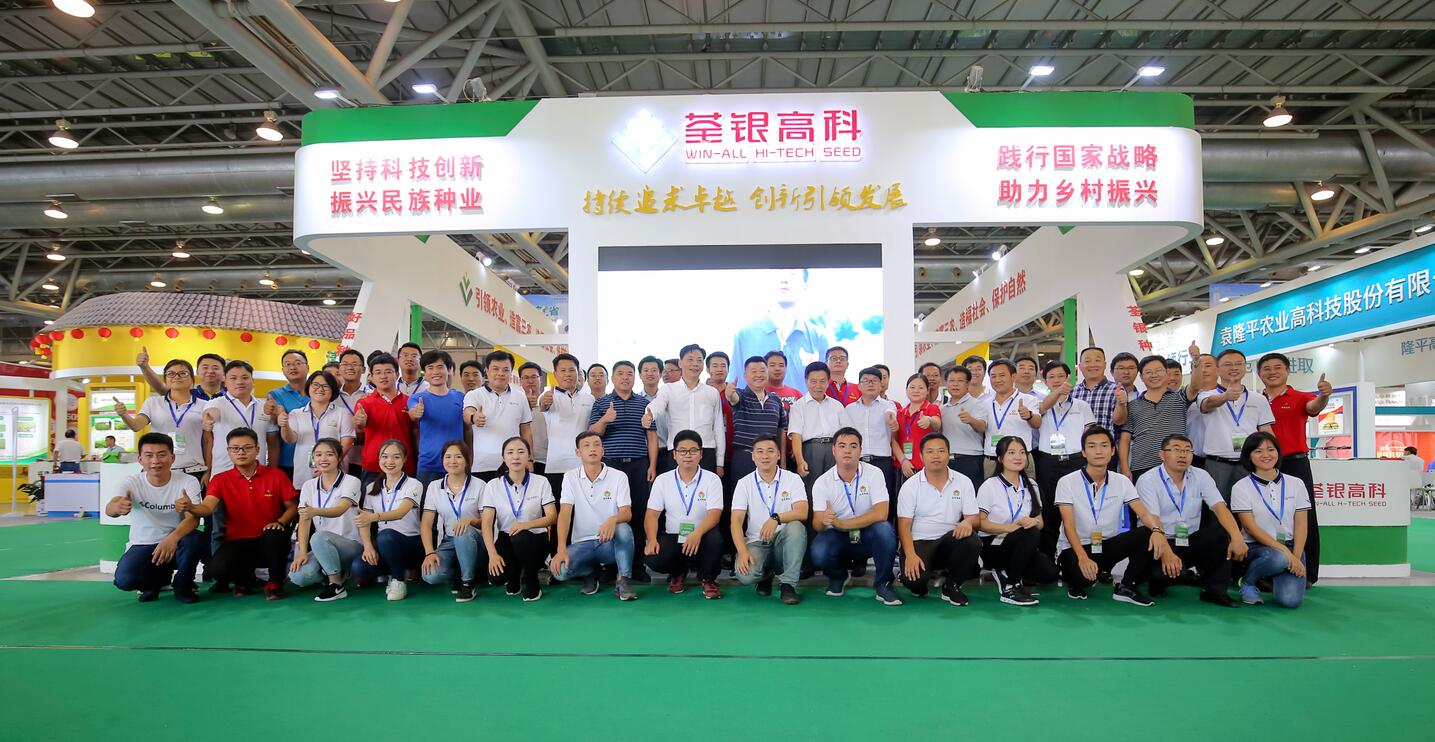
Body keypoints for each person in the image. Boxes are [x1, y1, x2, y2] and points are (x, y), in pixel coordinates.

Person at [182, 427, 297, 600]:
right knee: (216, 570)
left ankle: (275, 582)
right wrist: (191, 507)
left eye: (247, 448)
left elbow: (293, 507)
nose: (241, 452)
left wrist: (280, 522)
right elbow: (207, 508)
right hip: (237, 541)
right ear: (228, 451)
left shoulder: (276, 475)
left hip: (268, 539)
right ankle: (242, 581)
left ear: (257, 449)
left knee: (274, 534)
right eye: (235, 448)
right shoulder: (220, 479)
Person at [1054, 427, 1160, 606]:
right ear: (1083, 452)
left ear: (1112, 451)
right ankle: (1074, 575)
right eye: (1092, 446)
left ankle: (1126, 586)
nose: (1098, 451)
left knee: (1147, 533)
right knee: (1083, 580)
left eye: (1104, 445)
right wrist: (1083, 558)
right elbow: (1068, 526)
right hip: (1076, 548)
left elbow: (1142, 512)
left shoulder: (1122, 481)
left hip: (1107, 545)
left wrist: (1157, 530)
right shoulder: (1067, 482)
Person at [1135, 435, 1245, 607]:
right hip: (1158, 542)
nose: (1182, 455)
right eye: (1176, 450)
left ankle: (1214, 591)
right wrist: (1167, 554)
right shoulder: (1148, 480)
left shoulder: (1201, 475)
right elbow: (1153, 520)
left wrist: (1237, 537)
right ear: (1162, 455)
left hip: (1188, 541)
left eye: (1187, 450)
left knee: (1221, 531)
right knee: (1162, 575)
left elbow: (1219, 507)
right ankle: (1157, 578)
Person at [1258, 352, 1333, 584]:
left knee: (1303, 515)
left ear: (1287, 371)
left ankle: (1308, 573)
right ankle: (1268, 570)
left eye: (1277, 367)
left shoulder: (1300, 397)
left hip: (1295, 463)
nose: (1272, 372)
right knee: (1266, 516)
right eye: (1266, 368)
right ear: (1259, 374)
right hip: (1264, 465)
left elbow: (1313, 406)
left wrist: (1324, 396)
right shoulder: (1255, 399)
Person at [107, 432, 204, 603]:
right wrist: (117, 507)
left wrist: (172, 538)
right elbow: (111, 507)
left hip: (177, 542)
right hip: (143, 544)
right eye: (149, 455)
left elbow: (193, 519)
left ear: (172, 458)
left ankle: (183, 585)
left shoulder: (188, 481)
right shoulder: (130, 482)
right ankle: (153, 583)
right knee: (125, 580)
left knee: (195, 539)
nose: (155, 461)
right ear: (140, 459)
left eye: (161, 455)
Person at [810, 427, 902, 606]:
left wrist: (842, 523)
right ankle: (838, 576)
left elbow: (881, 513)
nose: (847, 450)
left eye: (853, 446)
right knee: (818, 551)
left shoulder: (874, 473)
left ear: (860, 450)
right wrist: (824, 520)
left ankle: (883, 584)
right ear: (834, 450)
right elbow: (817, 525)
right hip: (838, 536)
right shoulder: (822, 482)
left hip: (867, 533)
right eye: (842, 446)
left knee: (885, 530)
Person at [587, 361, 656, 583]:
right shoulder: (601, 403)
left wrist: (652, 466)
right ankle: (610, 565)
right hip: (610, 466)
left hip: (638, 464)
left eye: (629, 374)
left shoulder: (644, 403)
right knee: (610, 514)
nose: (625, 377)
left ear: (635, 377)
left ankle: (637, 566)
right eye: (620, 373)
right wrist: (605, 419)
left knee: (638, 512)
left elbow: (651, 437)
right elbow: (592, 433)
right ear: (613, 378)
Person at [552, 431, 638, 601]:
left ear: (603, 450)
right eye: (586, 445)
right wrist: (561, 549)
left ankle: (624, 580)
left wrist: (613, 519)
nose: (592, 449)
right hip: (582, 543)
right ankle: (590, 572)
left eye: (597, 445)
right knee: (560, 572)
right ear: (578, 452)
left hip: (608, 544)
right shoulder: (570, 477)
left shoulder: (618, 476)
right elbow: (565, 513)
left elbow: (626, 513)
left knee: (623, 529)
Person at [897, 434, 981, 605]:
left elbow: (975, 519)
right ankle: (918, 578)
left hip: (949, 541)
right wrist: (910, 555)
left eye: (941, 451)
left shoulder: (963, 482)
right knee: (915, 582)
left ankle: (951, 586)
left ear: (949, 454)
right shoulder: (910, 486)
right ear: (921, 456)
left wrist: (968, 522)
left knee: (972, 540)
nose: (936, 456)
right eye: (930, 452)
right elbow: (904, 525)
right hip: (920, 543)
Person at [1231, 432, 1311, 608]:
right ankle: (1248, 582)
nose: (1266, 455)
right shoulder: (1241, 487)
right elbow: (1250, 527)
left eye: (1270, 449)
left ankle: (1276, 574)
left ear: (1278, 452)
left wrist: (1296, 556)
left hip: (1291, 546)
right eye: (1258, 451)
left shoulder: (1296, 483)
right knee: (1279, 558)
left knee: (1290, 601)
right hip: (1256, 546)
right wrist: (1286, 554)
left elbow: (1301, 524)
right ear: (1249, 456)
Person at [976, 436, 1059, 606]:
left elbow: (1040, 522)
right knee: (1029, 532)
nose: (1018, 457)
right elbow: (979, 523)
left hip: (1021, 543)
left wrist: (1033, 522)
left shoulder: (1032, 485)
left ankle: (1007, 570)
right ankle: (1011, 586)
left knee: (1049, 573)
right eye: (1011, 452)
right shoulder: (990, 485)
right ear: (1000, 458)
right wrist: (1009, 528)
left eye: (1022, 452)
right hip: (994, 543)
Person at [644, 429, 724, 598]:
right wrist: (651, 540)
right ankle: (678, 572)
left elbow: (715, 514)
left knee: (715, 540)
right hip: (673, 536)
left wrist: (697, 533)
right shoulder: (663, 480)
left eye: (693, 450)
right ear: (674, 454)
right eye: (682, 451)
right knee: (653, 557)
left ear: (701, 454)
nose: (688, 455)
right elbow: (651, 515)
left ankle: (708, 578)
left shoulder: (712, 479)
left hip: (702, 536)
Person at [730, 435, 808, 605]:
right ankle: (766, 575)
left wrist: (777, 518)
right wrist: (742, 551)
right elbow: (735, 522)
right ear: (753, 456)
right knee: (745, 575)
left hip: (783, 540)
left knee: (796, 527)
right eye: (760, 451)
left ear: (778, 455)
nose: (765, 456)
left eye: (770, 451)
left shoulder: (792, 479)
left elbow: (802, 512)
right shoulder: (744, 483)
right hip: (757, 542)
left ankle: (788, 585)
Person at [286, 438, 363, 602]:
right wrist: (302, 552)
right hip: (321, 546)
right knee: (298, 576)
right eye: (318, 455)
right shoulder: (309, 486)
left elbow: (340, 509)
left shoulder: (352, 481)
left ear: (339, 457)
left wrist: (314, 511)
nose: (323, 459)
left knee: (319, 537)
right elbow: (304, 520)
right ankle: (338, 573)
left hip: (350, 544)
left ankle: (336, 585)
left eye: (329, 454)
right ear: (313, 458)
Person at [726, 268, 830, 388]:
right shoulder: (745, 334)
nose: (784, 280)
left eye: (793, 274)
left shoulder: (818, 337)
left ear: (805, 285)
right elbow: (735, 385)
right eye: (779, 273)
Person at [481, 436, 556, 601]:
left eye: (521, 452)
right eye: (510, 452)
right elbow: (486, 523)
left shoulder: (541, 482)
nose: (515, 456)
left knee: (521, 538)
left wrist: (525, 525)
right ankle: (514, 575)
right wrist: (492, 555)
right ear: (503, 457)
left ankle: (531, 579)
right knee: (497, 578)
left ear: (529, 456)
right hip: (506, 538)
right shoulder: (493, 485)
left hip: (535, 539)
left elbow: (552, 517)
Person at [1033, 361, 1095, 557]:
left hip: (1075, 461)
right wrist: (1056, 394)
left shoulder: (1082, 406)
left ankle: (1078, 556)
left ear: (1069, 378)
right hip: (1048, 462)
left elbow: (1089, 433)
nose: (1056, 380)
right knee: (1049, 509)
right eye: (1051, 377)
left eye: (1061, 376)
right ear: (1045, 381)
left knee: (1078, 509)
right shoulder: (1038, 404)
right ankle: (1048, 556)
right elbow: (1039, 412)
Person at [353, 439, 425, 601]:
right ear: (379, 459)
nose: (390, 461)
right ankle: (395, 571)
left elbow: (401, 512)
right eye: (384, 457)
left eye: (396, 457)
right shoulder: (371, 487)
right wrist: (368, 547)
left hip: (411, 543)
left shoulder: (414, 484)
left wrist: (374, 517)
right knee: (358, 567)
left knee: (386, 536)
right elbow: (363, 521)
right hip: (385, 545)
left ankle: (398, 580)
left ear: (404, 459)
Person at [1199, 349, 1276, 500]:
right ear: (1217, 369)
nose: (1234, 368)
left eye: (1239, 364)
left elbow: (1266, 431)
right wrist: (1224, 397)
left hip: (1249, 462)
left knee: (1250, 504)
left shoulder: (1259, 399)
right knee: (1216, 506)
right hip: (1217, 463)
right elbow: (1207, 404)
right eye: (1228, 364)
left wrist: (1273, 457)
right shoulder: (1206, 394)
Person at [115, 359, 207, 479]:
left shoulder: (205, 405)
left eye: (183, 373)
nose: (177, 377)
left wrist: (208, 470)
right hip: (158, 469)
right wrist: (124, 415)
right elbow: (136, 426)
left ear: (192, 379)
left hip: (193, 470)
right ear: (165, 379)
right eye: (171, 374)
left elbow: (208, 441)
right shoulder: (153, 403)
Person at [642, 344, 726, 475]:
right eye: (690, 359)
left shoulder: (712, 392)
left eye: (699, 360)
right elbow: (658, 404)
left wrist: (720, 462)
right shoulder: (669, 389)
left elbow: (718, 429)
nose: (695, 364)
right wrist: (649, 414)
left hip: (706, 451)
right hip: (677, 451)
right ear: (680, 363)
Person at [419, 441, 486, 602]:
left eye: (458, 457)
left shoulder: (480, 485)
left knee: (463, 532)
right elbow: (426, 524)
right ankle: (459, 572)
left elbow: (487, 522)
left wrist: (470, 521)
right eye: (448, 457)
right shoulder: (434, 487)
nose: (452, 461)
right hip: (449, 541)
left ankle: (468, 583)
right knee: (430, 575)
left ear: (467, 460)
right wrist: (429, 553)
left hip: (475, 540)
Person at [1119, 349, 1200, 481]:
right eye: (1148, 372)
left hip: (1175, 465)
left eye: (1158, 370)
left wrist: (1196, 361)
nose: (1154, 375)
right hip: (1142, 466)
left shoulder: (1180, 398)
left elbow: (1195, 386)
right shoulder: (1132, 405)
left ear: (1167, 373)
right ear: (1141, 377)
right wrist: (1124, 467)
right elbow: (1125, 439)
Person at [278, 370, 355, 490]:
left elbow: (347, 442)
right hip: (304, 473)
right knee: (305, 500)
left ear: (333, 390)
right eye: (316, 385)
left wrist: (328, 466)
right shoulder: (296, 414)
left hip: (334, 472)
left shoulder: (342, 413)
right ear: (308, 387)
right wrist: (284, 426)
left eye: (326, 386)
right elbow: (290, 439)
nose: (320, 389)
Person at [404, 350, 469, 490]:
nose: (435, 372)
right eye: (430, 368)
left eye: (440, 367)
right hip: (428, 465)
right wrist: (415, 412)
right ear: (424, 372)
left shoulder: (461, 397)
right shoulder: (417, 398)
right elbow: (413, 413)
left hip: (457, 463)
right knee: (426, 503)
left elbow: (468, 429)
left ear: (449, 370)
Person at [464, 350, 533, 479]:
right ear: (487, 370)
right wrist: (474, 417)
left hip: (513, 464)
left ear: (511, 373)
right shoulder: (474, 395)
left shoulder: (520, 397)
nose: (500, 373)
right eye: (495, 369)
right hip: (483, 465)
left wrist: (529, 459)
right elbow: (467, 414)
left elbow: (526, 430)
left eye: (506, 370)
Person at [201, 360, 277, 476]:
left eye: (245, 377)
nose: (239, 382)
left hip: (258, 474)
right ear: (225, 382)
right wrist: (208, 418)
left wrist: (272, 472)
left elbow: (273, 443)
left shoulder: (264, 407)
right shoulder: (216, 403)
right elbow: (211, 413)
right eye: (233, 378)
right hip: (224, 473)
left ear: (252, 381)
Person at [353, 354, 416, 485]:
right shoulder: (364, 403)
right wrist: (359, 422)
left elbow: (416, 433)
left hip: (404, 464)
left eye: (388, 372)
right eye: (378, 372)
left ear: (397, 374)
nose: (383, 376)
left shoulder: (410, 401)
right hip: (373, 465)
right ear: (371, 377)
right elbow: (359, 427)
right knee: (369, 499)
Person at [839, 367, 899, 500]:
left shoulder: (888, 405)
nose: (870, 384)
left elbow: (890, 414)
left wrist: (891, 419)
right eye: (866, 381)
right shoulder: (849, 409)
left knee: (884, 499)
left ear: (880, 385)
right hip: (857, 462)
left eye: (874, 380)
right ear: (859, 386)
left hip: (882, 461)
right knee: (858, 499)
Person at [539, 353, 595, 495]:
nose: (568, 374)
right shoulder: (548, 395)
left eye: (572, 370)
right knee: (558, 505)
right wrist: (545, 402)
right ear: (555, 374)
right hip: (556, 465)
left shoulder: (589, 399)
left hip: (582, 465)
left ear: (578, 373)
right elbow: (543, 405)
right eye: (563, 370)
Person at [789, 361, 843, 493]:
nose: (818, 386)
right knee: (811, 490)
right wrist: (800, 461)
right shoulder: (798, 406)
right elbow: (796, 436)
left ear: (828, 381)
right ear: (806, 381)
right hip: (810, 451)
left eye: (822, 381)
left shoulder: (837, 406)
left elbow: (844, 434)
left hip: (834, 450)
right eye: (813, 381)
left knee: (835, 489)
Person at [983, 360, 1042, 478]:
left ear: (1013, 376)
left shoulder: (1028, 399)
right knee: (991, 489)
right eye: (993, 376)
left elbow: (1037, 423)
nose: (997, 380)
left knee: (1026, 489)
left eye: (1002, 375)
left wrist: (1029, 415)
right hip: (993, 459)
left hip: (1020, 459)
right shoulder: (984, 403)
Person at [940, 365, 989, 488]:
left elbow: (982, 427)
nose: (955, 384)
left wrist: (971, 420)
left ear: (968, 384)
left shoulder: (976, 404)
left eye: (960, 381)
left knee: (970, 495)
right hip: (946, 461)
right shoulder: (943, 408)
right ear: (946, 383)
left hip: (969, 459)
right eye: (951, 380)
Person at [265, 349, 310, 480]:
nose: (292, 367)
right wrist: (274, 413)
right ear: (283, 370)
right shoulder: (275, 395)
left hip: (315, 458)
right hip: (287, 459)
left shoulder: (318, 392)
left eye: (297, 363)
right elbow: (274, 422)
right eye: (288, 364)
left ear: (307, 367)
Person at [894, 373, 942, 483]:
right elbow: (893, 440)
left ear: (927, 391)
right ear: (906, 390)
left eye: (920, 388)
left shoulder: (931, 408)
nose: (916, 391)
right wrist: (903, 461)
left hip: (925, 466)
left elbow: (937, 423)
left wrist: (929, 420)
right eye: (912, 387)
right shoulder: (900, 413)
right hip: (904, 467)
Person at [1070, 346, 1128, 432]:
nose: (1093, 365)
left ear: (1105, 365)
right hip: (1076, 440)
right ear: (1080, 366)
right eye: (1087, 361)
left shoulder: (1116, 390)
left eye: (1097, 360)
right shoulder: (1072, 392)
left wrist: (1121, 404)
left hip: (1105, 440)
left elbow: (1119, 421)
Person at [137, 346, 225, 401]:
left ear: (224, 374)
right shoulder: (185, 394)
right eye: (205, 367)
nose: (210, 371)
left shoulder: (230, 396)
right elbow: (160, 387)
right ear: (197, 372)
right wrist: (145, 367)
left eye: (215, 368)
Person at [335, 349, 368, 476]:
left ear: (363, 369)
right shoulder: (332, 396)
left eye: (354, 364)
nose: (350, 367)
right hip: (340, 458)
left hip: (365, 459)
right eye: (345, 364)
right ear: (339, 368)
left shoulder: (371, 395)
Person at [637, 356, 670, 475]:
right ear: (640, 375)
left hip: (667, 453)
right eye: (646, 370)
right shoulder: (635, 401)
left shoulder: (669, 399)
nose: (650, 373)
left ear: (660, 374)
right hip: (643, 456)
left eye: (654, 370)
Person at [1187, 353, 1218, 469]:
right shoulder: (1184, 399)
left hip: (1221, 459)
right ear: (1192, 372)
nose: (1203, 370)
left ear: (1218, 369)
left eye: (1208, 366)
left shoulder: (1228, 396)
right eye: (1199, 366)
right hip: (1192, 458)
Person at [518, 361, 549, 474]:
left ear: (541, 379)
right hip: (524, 460)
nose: (530, 381)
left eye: (534, 377)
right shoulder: (516, 403)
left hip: (548, 460)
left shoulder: (549, 400)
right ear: (520, 381)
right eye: (526, 378)